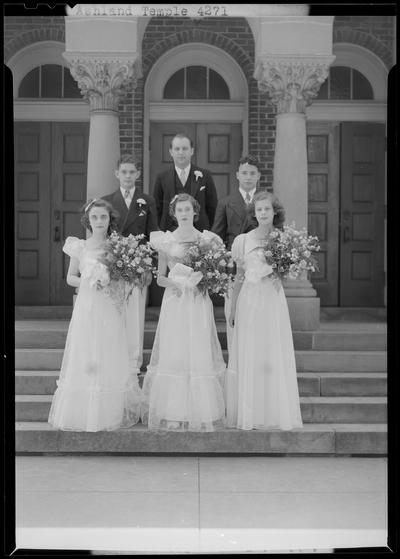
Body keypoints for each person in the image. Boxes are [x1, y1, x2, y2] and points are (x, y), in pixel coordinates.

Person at [48, 199, 142, 431]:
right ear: (88, 221)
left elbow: (128, 278)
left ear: (110, 220)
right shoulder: (80, 246)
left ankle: (108, 412)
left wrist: (112, 280)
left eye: (103, 217)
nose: (99, 221)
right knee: (87, 350)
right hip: (87, 305)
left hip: (109, 306)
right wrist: (89, 279)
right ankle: (84, 413)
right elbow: (70, 277)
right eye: (95, 217)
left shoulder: (118, 246)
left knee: (108, 350)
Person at [141, 193, 226, 431]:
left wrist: (201, 279)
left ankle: (200, 411)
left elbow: (213, 273)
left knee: (198, 352)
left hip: (198, 302)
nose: (184, 213)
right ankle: (175, 412)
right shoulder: (165, 241)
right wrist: (179, 284)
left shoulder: (207, 240)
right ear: (174, 213)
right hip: (176, 302)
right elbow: (159, 279)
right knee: (176, 353)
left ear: (194, 211)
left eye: (188, 209)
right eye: (180, 210)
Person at [225, 190, 303, 431]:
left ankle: (273, 411)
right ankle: (251, 412)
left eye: (267, 209)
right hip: (249, 300)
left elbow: (289, 272)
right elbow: (238, 276)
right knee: (251, 352)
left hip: (271, 300)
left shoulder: (284, 239)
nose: (263, 213)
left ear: (274, 212)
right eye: (259, 210)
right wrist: (234, 306)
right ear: (254, 213)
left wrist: (275, 271)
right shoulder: (242, 240)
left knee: (271, 352)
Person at [102, 155, 158, 375]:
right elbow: (104, 235)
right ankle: (113, 358)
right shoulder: (107, 201)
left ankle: (134, 361)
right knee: (114, 313)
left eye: (131, 172)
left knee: (135, 315)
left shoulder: (147, 201)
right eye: (123, 172)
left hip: (137, 264)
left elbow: (153, 234)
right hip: (114, 265)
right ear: (117, 173)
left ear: (138, 174)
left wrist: (148, 265)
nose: (127, 176)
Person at [212, 155, 261, 353]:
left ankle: (256, 355)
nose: (248, 177)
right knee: (233, 311)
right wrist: (223, 264)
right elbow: (217, 236)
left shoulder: (265, 202)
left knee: (257, 312)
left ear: (258, 176)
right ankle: (235, 357)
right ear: (237, 176)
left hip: (259, 265)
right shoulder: (226, 203)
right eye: (244, 173)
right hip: (234, 266)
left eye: (252, 173)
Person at [153, 133, 218, 232]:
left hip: (199, 234)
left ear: (192, 151)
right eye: (177, 149)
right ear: (171, 152)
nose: (181, 152)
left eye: (185, 148)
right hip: (170, 234)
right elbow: (156, 209)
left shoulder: (205, 176)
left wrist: (207, 233)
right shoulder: (162, 177)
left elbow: (212, 208)